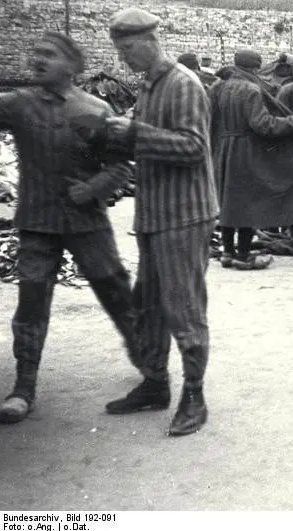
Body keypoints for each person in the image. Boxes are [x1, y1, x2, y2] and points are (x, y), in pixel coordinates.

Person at [0, 32, 139, 424]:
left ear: (73, 65)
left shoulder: (96, 109)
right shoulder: (17, 104)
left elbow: (120, 167)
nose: (37, 59)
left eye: (49, 54)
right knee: (31, 301)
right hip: (37, 222)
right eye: (36, 52)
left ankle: (149, 365)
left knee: (115, 288)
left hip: (86, 222)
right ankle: (23, 388)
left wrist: (93, 188)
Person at [104, 7, 220, 437]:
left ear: (151, 41)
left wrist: (133, 135)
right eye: (119, 50)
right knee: (148, 304)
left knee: (182, 305)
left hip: (185, 215)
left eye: (127, 49)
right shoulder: (149, 86)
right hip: (155, 214)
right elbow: (147, 144)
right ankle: (155, 383)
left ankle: (194, 393)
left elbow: (192, 148)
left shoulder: (184, 85)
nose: (123, 59)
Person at [209, 49, 293, 269]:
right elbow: (263, 125)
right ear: (255, 68)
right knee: (247, 201)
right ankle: (243, 255)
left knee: (228, 199)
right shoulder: (251, 89)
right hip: (244, 151)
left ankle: (227, 252)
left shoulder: (221, 87)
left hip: (224, 148)